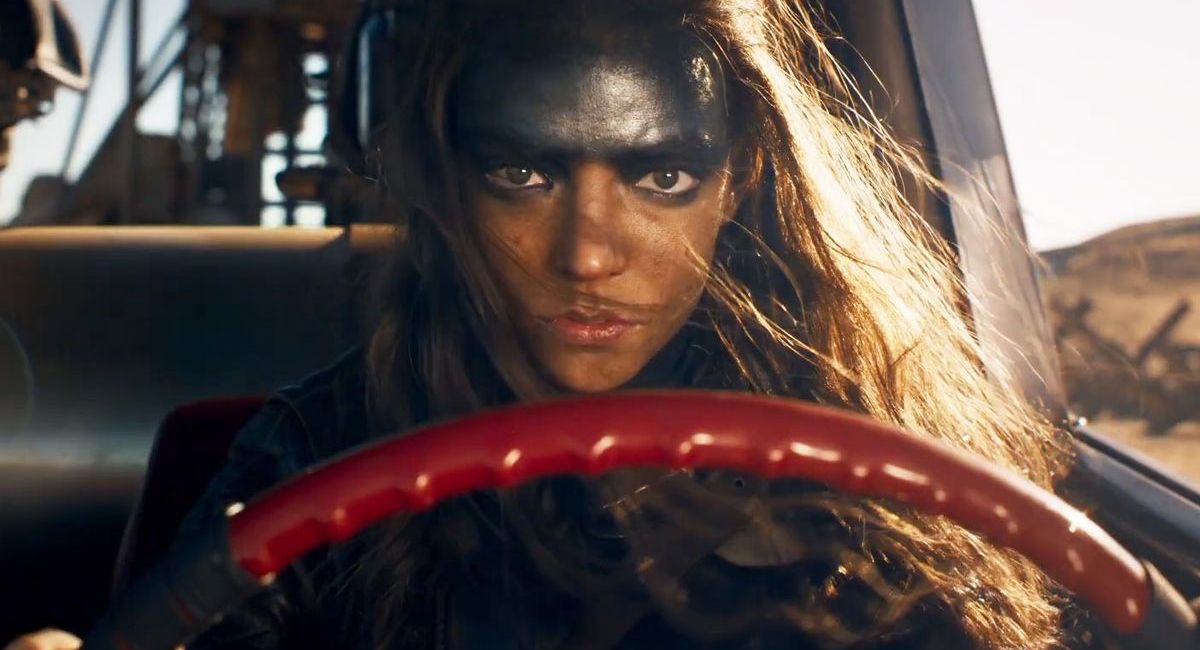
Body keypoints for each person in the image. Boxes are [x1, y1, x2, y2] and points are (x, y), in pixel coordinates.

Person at [7, 0, 1077, 648]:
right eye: (522, 174)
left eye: (661, 176)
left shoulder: (871, 475)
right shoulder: (310, 456)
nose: (588, 256)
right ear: (449, 179)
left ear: (742, 175)